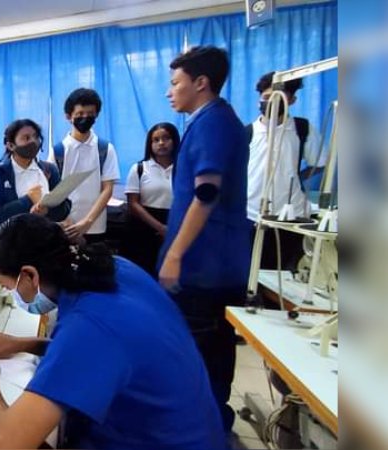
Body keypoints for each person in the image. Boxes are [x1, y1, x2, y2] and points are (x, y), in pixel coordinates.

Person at [0, 214, 226, 449]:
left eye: (8, 286)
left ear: (30, 275)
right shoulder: (114, 269)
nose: (9, 293)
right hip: (193, 432)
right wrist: (22, 344)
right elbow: (101, 356)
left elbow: (10, 441)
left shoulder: (90, 325)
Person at [160, 46, 251, 431]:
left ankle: (204, 424)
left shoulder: (214, 122)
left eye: (175, 83)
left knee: (201, 348)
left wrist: (176, 255)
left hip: (204, 267)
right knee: (209, 346)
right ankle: (209, 416)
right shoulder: (209, 121)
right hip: (210, 263)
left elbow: (207, 194)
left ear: (201, 83)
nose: (170, 91)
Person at [247, 71, 325, 270]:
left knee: (283, 273)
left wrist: (295, 178)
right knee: (251, 273)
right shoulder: (247, 133)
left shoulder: (301, 129)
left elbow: (320, 162)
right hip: (251, 215)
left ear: (292, 100)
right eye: (266, 98)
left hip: (290, 216)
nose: (271, 102)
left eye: (278, 97)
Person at [53, 88, 121, 244]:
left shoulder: (105, 149)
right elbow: (53, 192)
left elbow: (107, 189)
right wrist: (68, 222)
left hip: (96, 226)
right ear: (68, 117)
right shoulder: (58, 151)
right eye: (80, 114)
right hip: (64, 226)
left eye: (90, 114)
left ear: (96, 115)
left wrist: (87, 222)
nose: (85, 118)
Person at [0, 119, 70, 243]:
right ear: (11, 145)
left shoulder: (49, 170)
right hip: (11, 245)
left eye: (36, 137)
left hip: (44, 242)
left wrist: (47, 210)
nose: (33, 141)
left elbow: (64, 208)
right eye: (26, 138)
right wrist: (27, 200)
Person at [122, 122, 180, 276]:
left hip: (175, 225)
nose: (161, 143)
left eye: (166, 138)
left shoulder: (184, 169)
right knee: (143, 273)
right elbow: (133, 204)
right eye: (156, 140)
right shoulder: (140, 169)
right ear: (150, 144)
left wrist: (172, 228)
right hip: (144, 227)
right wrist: (160, 227)